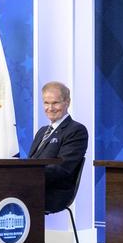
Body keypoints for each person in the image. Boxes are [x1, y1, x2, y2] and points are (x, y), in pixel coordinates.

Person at [28, 81, 89, 214]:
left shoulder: (76, 130)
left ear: (67, 102)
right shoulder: (42, 131)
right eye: (46, 103)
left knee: (6, 194)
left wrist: (28, 177)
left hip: (54, 192)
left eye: (55, 103)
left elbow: (62, 169)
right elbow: (30, 162)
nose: (50, 108)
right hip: (33, 185)